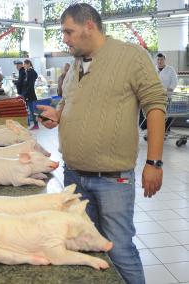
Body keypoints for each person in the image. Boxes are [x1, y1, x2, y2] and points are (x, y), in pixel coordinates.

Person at [38, 4, 166, 284]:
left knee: (119, 249)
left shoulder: (129, 55)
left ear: (90, 26)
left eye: (69, 32)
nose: (65, 38)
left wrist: (154, 162)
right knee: (87, 250)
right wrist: (58, 115)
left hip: (111, 180)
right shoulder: (75, 64)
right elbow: (70, 100)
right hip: (74, 175)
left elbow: (156, 104)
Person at [156, 53, 178, 133]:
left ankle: (165, 130)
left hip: (167, 96)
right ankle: (158, 130)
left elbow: (175, 81)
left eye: (161, 59)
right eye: (158, 59)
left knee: (166, 114)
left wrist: (170, 89)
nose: (159, 61)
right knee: (158, 113)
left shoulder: (170, 69)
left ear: (164, 60)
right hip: (156, 96)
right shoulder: (154, 69)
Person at [22, 59, 39, 130]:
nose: (24, 65)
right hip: (29, 94)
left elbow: (30, 85)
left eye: (25, 64)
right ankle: (31, 124)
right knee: (30, 110)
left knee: (32, 110)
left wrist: (26, 94)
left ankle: (36, 125)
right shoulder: (29, 72)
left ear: (28, 64)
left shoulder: (31, 72)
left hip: (30, 94)